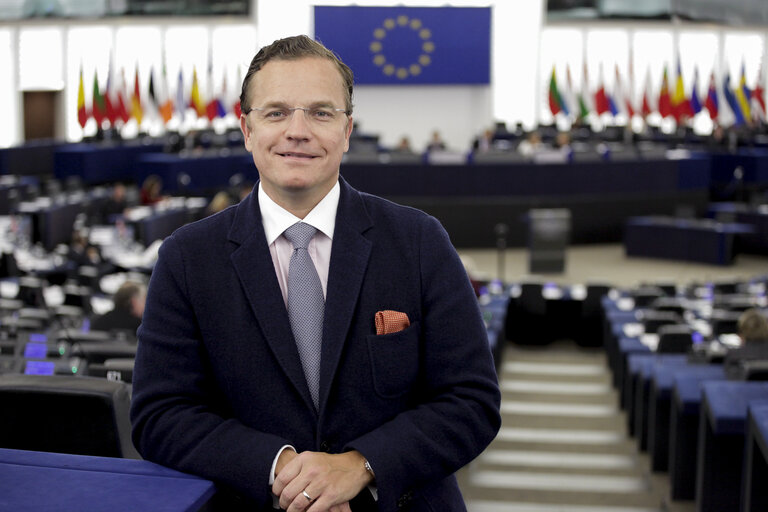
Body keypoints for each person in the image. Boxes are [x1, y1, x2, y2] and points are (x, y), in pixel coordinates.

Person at [130, 35, 500, 512]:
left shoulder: (419, 241)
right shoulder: (187, 257)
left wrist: (360, 465)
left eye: (321, 113)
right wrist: (284, 470)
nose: (298, 131)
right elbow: (160, 416)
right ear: (247, 129)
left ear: (347, 131)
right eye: (277, 112)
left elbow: (471, 402)